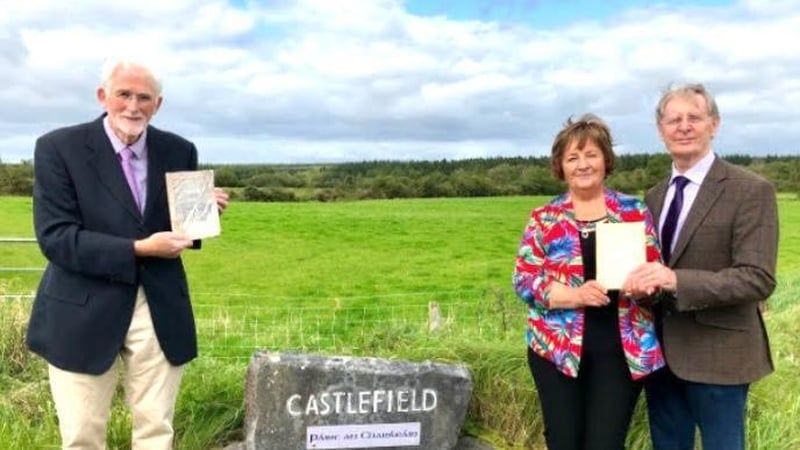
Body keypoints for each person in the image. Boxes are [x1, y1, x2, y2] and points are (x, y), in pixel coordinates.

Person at [26, 56, 229, 450]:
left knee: (156, 430)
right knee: (82, 434)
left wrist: (203, 213)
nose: (133, 106)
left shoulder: (179, 149)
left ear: (158, 104)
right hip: (81, 306)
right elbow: (56, 238)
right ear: (103, 96)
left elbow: (180, 225)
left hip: (158, 301)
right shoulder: (57, 148)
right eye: (123, 94)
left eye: (144, 97)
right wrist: (139, 249)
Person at [623, 83, 778, 450]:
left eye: (695, 117)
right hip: (661, 354)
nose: (684, 126)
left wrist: (674, 279)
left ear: (715, 125)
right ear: (662, 132)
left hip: (720, 355)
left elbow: (757, 278)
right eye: (674, 119)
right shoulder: (654, 196)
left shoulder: (750, 190)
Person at [513, 113, 665, 450]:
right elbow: (524, 280)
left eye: (591, 154)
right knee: (563, 441)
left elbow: (654, 274)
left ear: (605, 160)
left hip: (620, 350)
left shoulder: (633, 211)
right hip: (555, 350)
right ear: (561, 166)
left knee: (605, 444)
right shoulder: (544, 218)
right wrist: (574, 295)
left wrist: (644, 289)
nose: (583, 164)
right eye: (573, 157)